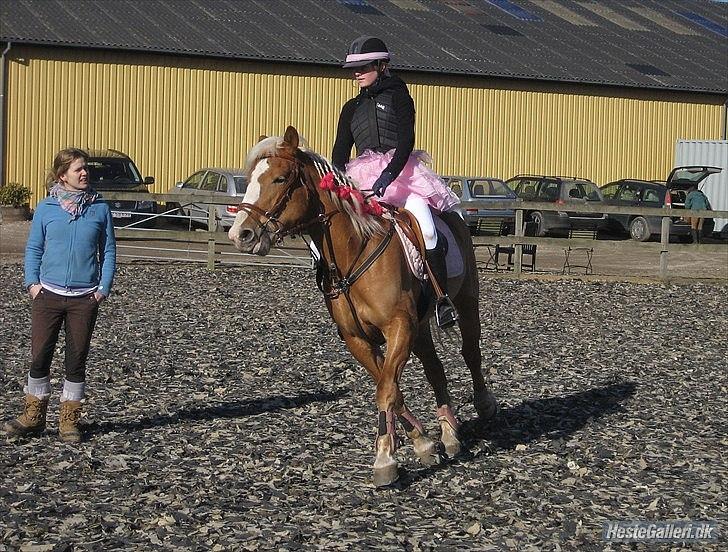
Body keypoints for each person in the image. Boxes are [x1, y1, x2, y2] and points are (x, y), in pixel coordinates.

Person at [332, 36, 460, 328]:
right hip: (361, 179)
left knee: (427, 230)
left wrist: (389, 174)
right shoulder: (350, 108)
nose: (356, 73)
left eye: (363, 67)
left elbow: (406, 142)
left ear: (381, 65)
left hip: (403, 177)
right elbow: (340, 151)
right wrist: (338, 180)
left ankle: (442, 301)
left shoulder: (400, 95)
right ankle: (340, 293)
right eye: (354, 68)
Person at [4, 148, 117, 443]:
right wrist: (32, 284)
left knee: (76, 359)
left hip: (84, 298)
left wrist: (102, 289)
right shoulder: (45, 208)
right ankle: (33, 415)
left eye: (85, 169)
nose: (84, 173)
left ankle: (69, 420)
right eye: (78, 169)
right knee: (40, 356)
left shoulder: (100, 209)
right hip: (47, 295)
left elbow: (108, 251)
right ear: (62, 176)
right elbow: (33, 249)